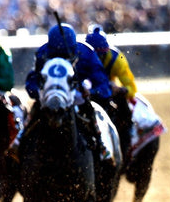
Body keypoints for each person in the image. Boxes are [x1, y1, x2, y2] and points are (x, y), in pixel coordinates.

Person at [15, 22, 114, 160]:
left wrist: (90, 92)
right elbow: (31, 83)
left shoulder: (87, 53)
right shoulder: (43, 53)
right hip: (48, 99)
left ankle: (101, 144)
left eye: (64, 56)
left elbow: (104, 87)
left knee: (90, 109)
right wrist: (41, 91)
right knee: (36, 108)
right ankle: (19, 142)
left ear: (74, 52)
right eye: (56, 55)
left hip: (77, 98)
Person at [85, 25, 136, 153]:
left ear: (106, 51)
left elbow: (132, 89)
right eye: (94, 57)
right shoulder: (81, 57)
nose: (97, 61)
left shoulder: (117, 59)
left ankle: (127, 140)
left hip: (110, 95)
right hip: (88, 93)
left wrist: (120, 90)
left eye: (100, 56)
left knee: (122, 106)